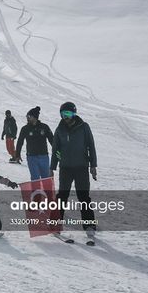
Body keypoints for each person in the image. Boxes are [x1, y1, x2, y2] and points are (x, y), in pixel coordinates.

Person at [50, 102, 98, 238]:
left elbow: (91, 146)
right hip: (65, 168)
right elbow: (55, 150)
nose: (66, 117)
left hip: (81, 167)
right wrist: (52, 167)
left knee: (83, 197)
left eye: (68, 114)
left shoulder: (84, 127)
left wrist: (93, 165)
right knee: (62, 196)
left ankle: (89, 225)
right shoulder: (59, 130)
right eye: (63, 114)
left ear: (74, 114)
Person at [16, 106, 53, 180]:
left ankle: (47, 192)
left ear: (35, 117)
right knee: (35, 179)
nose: (27, 118)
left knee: (46, 178)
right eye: (27, 116)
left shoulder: (44, 127)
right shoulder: (25, 129)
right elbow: (20, 141)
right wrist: (17, 154)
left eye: (29, 116)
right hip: (31, 157)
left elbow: (53, 141)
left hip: (44, 157)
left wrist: (58, 152)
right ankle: (36, 192)